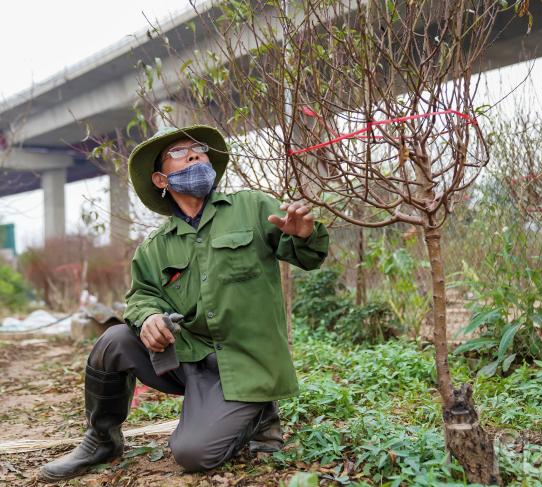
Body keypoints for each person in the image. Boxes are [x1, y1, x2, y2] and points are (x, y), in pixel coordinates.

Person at [39, 125, 329, 481]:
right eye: (179, 153)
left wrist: (305, 235)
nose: (194, 154)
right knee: (112, 342)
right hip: (188, 359)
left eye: (199, 149)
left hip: (244, 364)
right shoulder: (155, 245)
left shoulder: (252, 207)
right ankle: (101, 440)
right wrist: (147, 319)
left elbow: (308, 257)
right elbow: (141, 296)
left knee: (192, 453)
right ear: (161, 180)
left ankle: (258, 412)